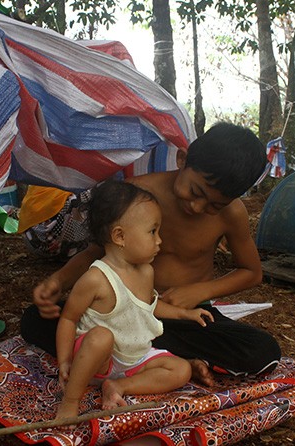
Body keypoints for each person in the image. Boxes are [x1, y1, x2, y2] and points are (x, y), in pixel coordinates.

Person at [22, 122, 282, 383]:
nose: (198, 206)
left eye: (215, 205)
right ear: (182, 159)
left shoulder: (231, 214)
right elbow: (95, 252)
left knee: (263, 351)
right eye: (195, 192)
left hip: (186, 317)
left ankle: (137, 356)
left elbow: (251, 272)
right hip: (123, 312)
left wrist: (199, 292)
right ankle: (162, 359)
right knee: (36, 320)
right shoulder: (136, 197)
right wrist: (59, 280)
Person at [55, 180, 213, 420]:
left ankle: (118, 386)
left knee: (181, 370)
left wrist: (185, 313)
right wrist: (65, 361)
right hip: (98, 362)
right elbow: (68, 318)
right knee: (101, 337)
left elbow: (149, 305)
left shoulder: (146, 271)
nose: (159, 240)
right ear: (120, 236)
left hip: (134, 359)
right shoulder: (96, 278)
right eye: (152, 231)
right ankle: (70, 401)